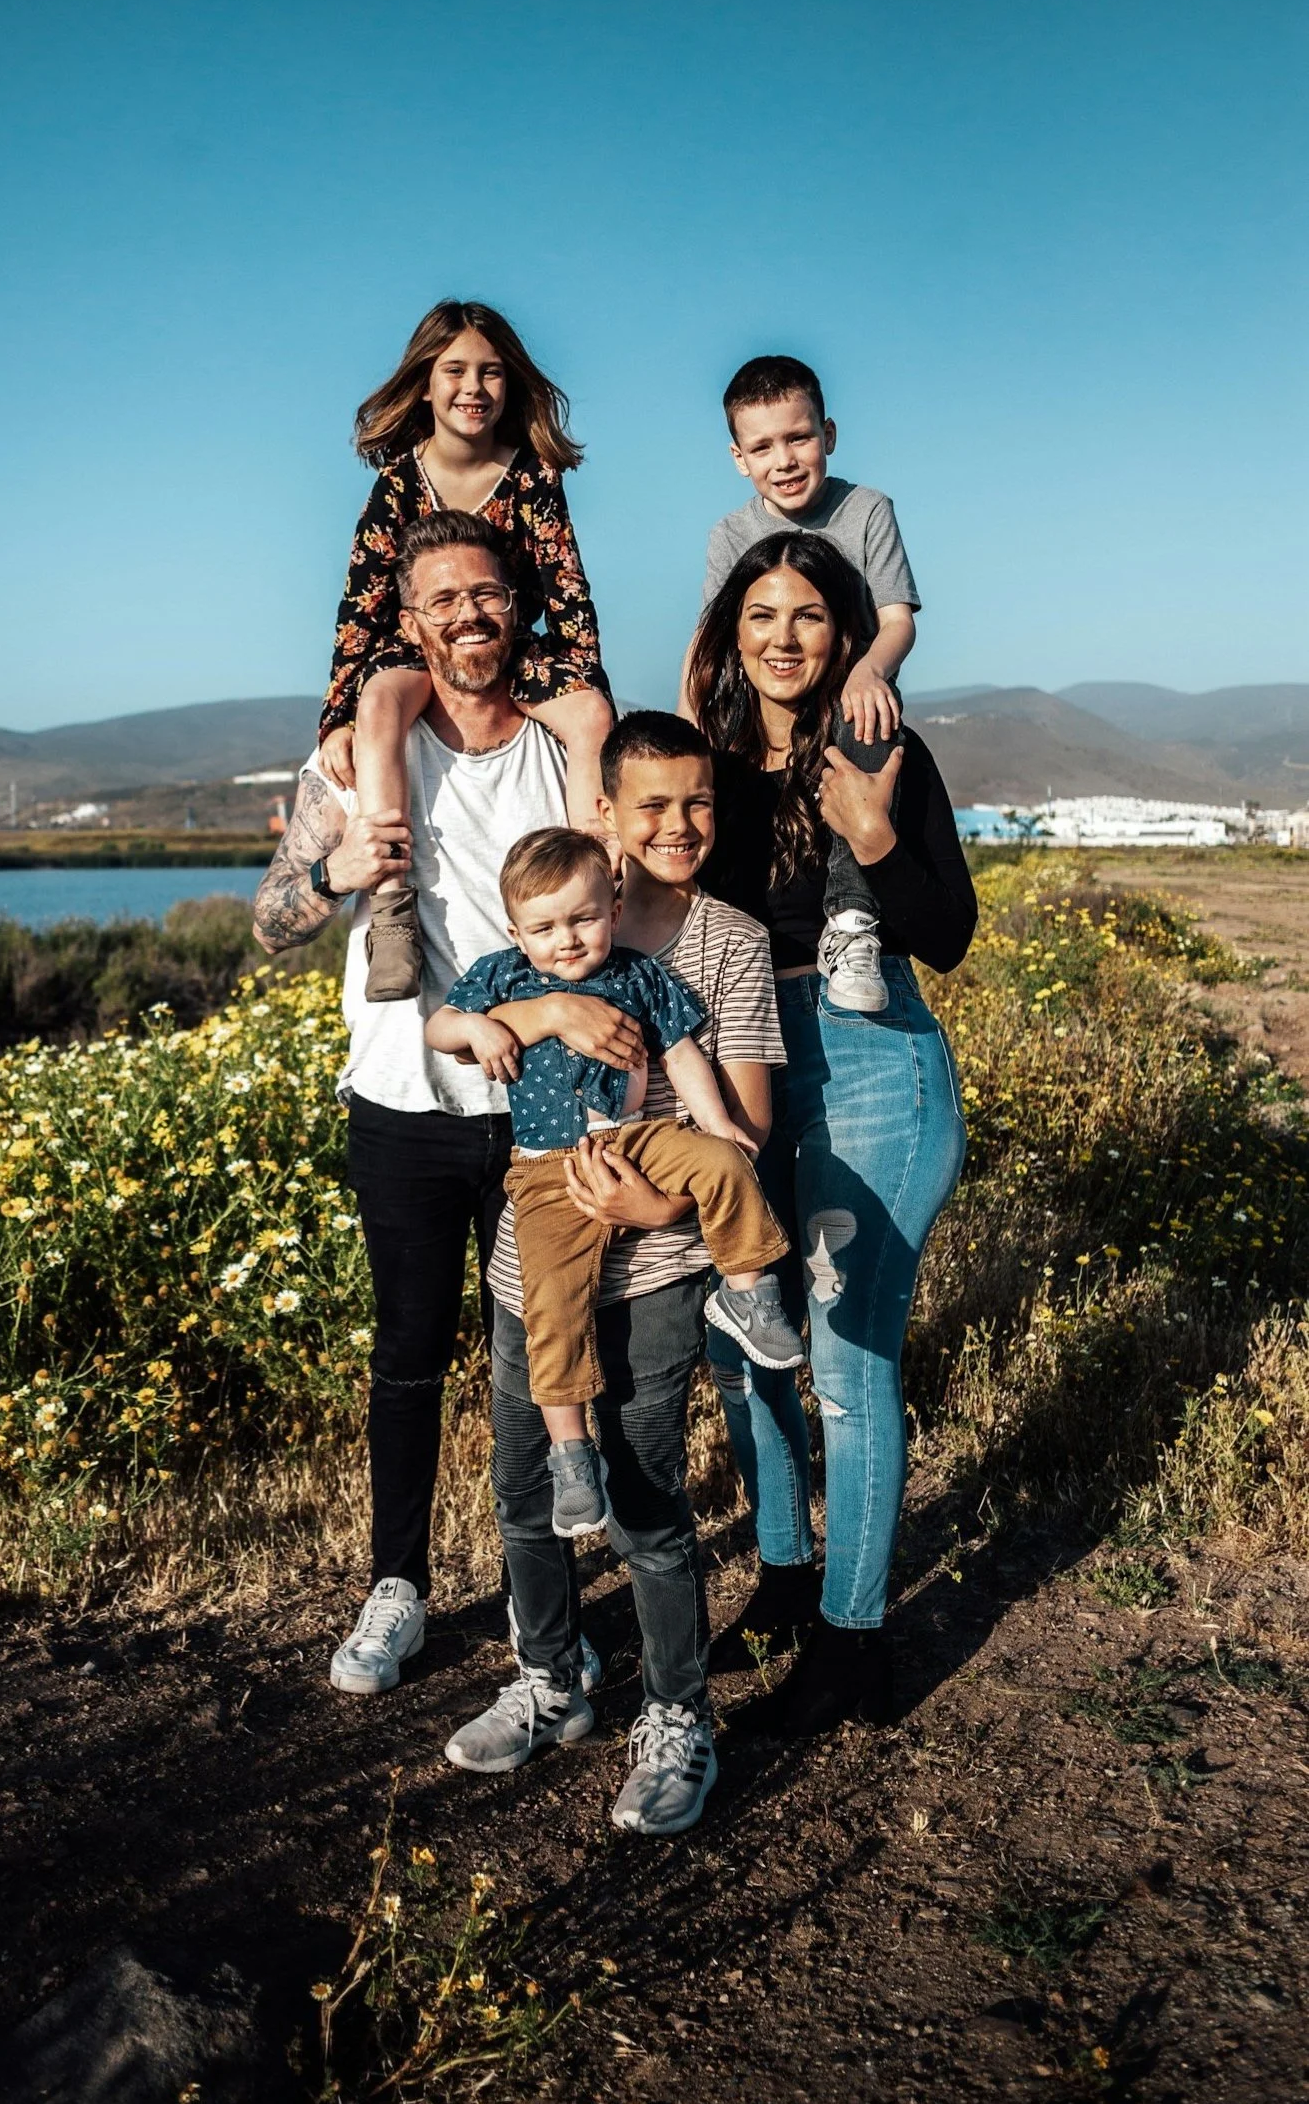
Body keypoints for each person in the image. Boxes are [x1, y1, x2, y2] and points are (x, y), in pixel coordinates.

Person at [254, 508, 612, 1698]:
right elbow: (270, 925)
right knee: (409, 1351)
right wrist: (330, 871)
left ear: (517, 609)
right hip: (404, 1099)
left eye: (488, 594)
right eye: (444, 600)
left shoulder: (561, 753)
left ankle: (539, 1608)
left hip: (540, 1107)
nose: (470, 615)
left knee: (539, 1355)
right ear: (409, 624)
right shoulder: (358, 759)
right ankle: (395, 1586)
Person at [443, 711, 787, 1836]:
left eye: (697, 804)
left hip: (658, 1259)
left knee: (644, 1499)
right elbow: (450, 1034)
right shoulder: (538, 934)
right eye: (651, 804)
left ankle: (675, 1712)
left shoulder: (722, 942)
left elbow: (742, 1118)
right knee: (527, 1488)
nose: (678, 825)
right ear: (604, 816)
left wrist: (656, 1203)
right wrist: (538, 1008)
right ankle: (551, 1678)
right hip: (528, 1254)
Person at [687, 532, 975, 1734]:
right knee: (742, 1340)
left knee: (848, 1370)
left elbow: (945, 928)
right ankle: (785, 1577)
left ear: (844, 632)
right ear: (728, 632)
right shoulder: (703, 764)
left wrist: (866, 825)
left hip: (870, 1063)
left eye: (808, 614)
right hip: (740, 1060)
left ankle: (855, 1644)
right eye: (760, 614)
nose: (783, 638)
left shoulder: (882, 751)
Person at [424, 827, 802, 1539]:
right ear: (516, 930)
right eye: (544, 926)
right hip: (546, 1168)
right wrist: (478, 1032)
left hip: (639, 1139)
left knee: (726, 1165)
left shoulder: (636, 974)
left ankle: (750, 1295)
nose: (566, 939)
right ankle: (572, 1453)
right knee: (552, 1303)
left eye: (583, 918)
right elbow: (439, 1026)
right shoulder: (503, 976)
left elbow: (682, 1052)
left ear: (613, 906)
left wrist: (720, 1124)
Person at [317, 299, 614, 1004]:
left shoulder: (534, 475)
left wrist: (584, 685)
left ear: (510, 384)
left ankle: (599, 887)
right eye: (454, 371)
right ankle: (392, 912)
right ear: (425, 382)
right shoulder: (396, 483)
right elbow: (360, 605)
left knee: (592, 716)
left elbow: (567, 589)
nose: (473, 388)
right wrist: (336, 717)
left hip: (516, 647)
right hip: (417, 649)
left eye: (490, 372)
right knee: (382, 699)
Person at [680, 354, 922, 1017]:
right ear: (738, 457)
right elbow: (708, 642)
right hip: (761, 708)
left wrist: (871, 668)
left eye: (798, 437)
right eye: (762, 446)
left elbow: (897, 620)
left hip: (850, 701)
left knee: (866, 718)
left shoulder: (867, 509)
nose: (784, 459)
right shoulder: (730, 534)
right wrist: (684, 730)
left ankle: (850, 921)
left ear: (829, 434)